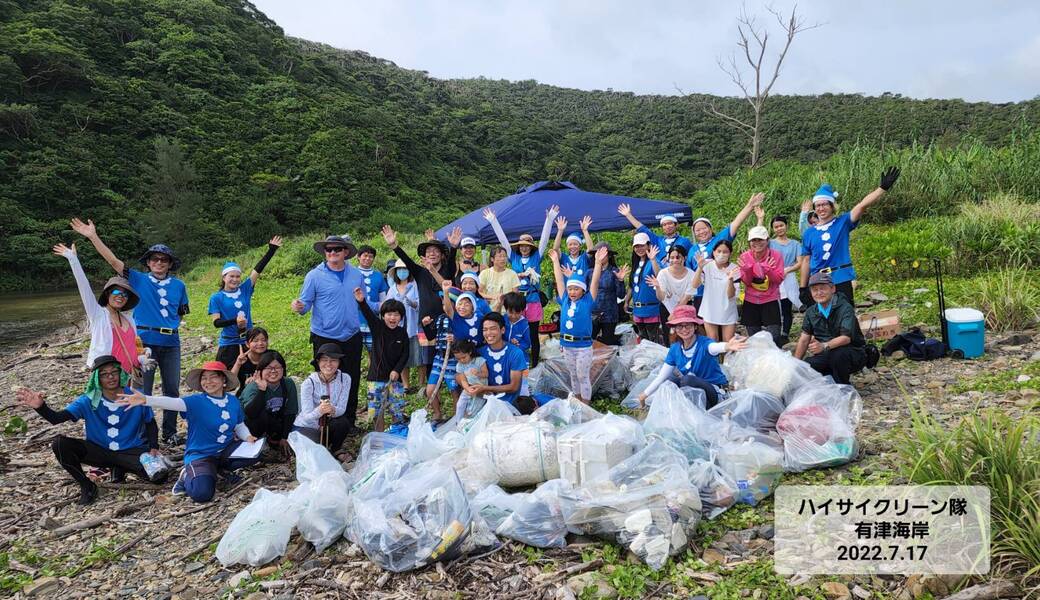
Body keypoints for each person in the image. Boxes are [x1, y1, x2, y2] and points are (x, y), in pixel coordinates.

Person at [71, 218, 190, 446]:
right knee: (141, 388)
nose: (159, 262)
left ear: (170, 264)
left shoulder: (179, 286)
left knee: (172, 388)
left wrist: (170, 325)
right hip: (145, 340)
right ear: (148, 262)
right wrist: (93, 236)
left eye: (164, 260)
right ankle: (143, 434)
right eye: (155, 259)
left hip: (171, 341)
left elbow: (181, 312)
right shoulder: (138, 278)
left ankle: (169, 432)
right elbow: (114, 262)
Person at [16, 356, 164, 505]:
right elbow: (56, 418)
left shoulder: (135, 395)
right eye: (104, 374)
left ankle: (119, 467)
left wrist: (153, 447)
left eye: (114, 372)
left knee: (159, 478)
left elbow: (150, 422)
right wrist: (41, 406)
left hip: (131, 450)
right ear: (97, 378)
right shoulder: (88, 400)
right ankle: (87, 486)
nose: (111, 377)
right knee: (60, 445)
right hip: (100, 451)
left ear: (120, 373)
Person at [118, 361, 260, 503]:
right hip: (201, 455)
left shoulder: (233, 401)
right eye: (204, 378)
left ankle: (219, 470)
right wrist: (146, 399)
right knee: (202, 494)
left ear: (224, 379)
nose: (208, 382)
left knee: (256, 452)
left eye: (213, 377)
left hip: (225, 450)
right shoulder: (196, 401)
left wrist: (247, 437)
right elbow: (171, 402)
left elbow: (239, 425)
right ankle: (187, 475)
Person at [291, 235, 366, 435]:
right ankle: (322, 420)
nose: (332, 253)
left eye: (337, 249)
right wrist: (298, 307)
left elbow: (362, 300)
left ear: (346, 252)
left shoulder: (356, 274)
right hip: (325, 336)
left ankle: (348, 421)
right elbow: (305, 304)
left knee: (351, 377)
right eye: (329, 250)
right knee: (324, 377)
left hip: (351, 334)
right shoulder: (314, 276)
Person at [799, 167, 901, 305]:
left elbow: (862, 205)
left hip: (840, 278)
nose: (821, 208)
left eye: (824, 205)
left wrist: (882, 188)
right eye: (817, 205)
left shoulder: (843, 222)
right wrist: (803, 287)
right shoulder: (809, 233)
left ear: (832, 206)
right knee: (820, 322)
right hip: (817, 280)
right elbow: (806, 261)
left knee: (845, 319)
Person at [382, 224, 462, 396]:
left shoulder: (448, 269)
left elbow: (448, 274)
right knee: (428, 355)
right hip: (425, 318)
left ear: (441, 254)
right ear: (424, 256)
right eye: (428, 251)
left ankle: (451, 383)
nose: (431, 253)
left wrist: (454, 247)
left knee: (448, 350)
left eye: (435, 251)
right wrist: (394, 245)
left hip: (446, 317)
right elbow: (407, 261)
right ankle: (432, 386)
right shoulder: (419, 272)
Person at [52, 242, 149, 378]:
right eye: (116, 292)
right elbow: (84, 287)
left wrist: (142, 356)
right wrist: (73, 259)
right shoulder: (98, 314)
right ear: (108, 293)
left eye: (125, 294)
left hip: (131, 377)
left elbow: (133, 348)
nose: (120, 296)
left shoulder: (129, 319)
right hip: (108, 377)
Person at [484, 205, 558, 367]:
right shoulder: (514, 258)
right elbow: (503, 240)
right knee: (512, 329)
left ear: (531, 246)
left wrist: (549, 220)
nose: (524, 247)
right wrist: (494, 221)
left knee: (532, 333)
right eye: (522, 245)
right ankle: (512, 360)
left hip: (532, 299)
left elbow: (545, 239)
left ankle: (534, 364)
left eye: (527, 245)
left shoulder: (536, 257)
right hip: (516, 300)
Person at [636, 305, 748, 410]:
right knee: (670, 380)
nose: (684, 329)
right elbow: (661, 377)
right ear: (675, 328)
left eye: (688, 325)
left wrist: (728, 346)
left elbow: (715, 347)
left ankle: (698, 412)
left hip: (714, 392)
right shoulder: (675, 349)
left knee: (687, 380)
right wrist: (644, 395)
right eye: (680, 326)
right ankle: (683, 412)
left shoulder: (705, 344)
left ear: (695, 326)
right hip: (694, 392)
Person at [209, 236, 282, 367]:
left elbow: (258, 269)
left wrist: (271, 250)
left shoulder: (245, 289)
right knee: (227, 378)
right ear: (224, 277)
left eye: (238, 276)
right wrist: (234, 321)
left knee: (251, 376)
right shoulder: (216, 297)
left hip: (248, 342)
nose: (235, 279)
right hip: (229, 343)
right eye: (231, 276)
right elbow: (216, 323)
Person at [685, 193, 764, 310]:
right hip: (701, 294)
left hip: (721, 290)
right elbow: (689, 273)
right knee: (702, 324)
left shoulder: (719, 240)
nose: (701, 232)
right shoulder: (692, 250)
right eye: (697, 230)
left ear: (710, 229)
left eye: (704, 228)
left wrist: (750, 206)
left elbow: (736, 223)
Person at [549, 246, 607, 403]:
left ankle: (586, 404)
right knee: (573, 375)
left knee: (582, 375)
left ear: (583, 291)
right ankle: (577, 400)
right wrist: (555, 261)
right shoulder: (565, 300)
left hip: (583, 347)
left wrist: (597, 263)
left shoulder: (588, 301)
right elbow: (560, 279)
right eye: (570, 289)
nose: (572, 292)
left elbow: (594, 281)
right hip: (566, 345)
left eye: (576, 289)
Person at [794, 272, 868, 385]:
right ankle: (829, 382)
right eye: (815, 290)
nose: (819, 293)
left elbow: (846, 338)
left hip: (852, 352)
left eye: (823, 288)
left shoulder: (845, 307)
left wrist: (823, 346)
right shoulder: (811, 311)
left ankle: (843, 387)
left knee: (838, 355)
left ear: (832, 288)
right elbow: (804, 339)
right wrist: (795, 364)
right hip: (826, 353)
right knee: (807, 367)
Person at [354, 288, 409, 433]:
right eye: (389, 314)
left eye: (396, 315)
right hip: (376, 379)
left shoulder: (402, 333)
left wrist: (397, 370)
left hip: (395, 381)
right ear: (383, 316)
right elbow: (368, 314)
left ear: (401, 317)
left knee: (397, 410)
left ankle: (397, 434)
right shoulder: (378, 327)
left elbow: (405, 355)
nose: (393, 318)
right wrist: (362, 301)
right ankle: (379, 438)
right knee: (377, 413)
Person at [294, 344, 353, 452]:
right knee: (314, 447)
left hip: (328, 424)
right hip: (307, 426)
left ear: (339, 362)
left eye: (333, 360)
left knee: (343, 424)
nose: (329, 364)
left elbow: (342, 408)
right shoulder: (309, 383)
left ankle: (336, 450)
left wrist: (332, 410)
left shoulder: (345, 379)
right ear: (318, 362)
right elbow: (307, 416)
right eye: (324, 360)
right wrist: (320, 410)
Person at [240, 350, 298, 457]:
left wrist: (284, 438)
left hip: (275, 422)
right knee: (261, 414)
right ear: (260, 370)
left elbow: (291, 412)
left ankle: (275, 442)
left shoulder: (288, 383)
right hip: (252, 426)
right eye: (268, 368)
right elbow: (250, 413)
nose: (273, 371)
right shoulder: (253, 386)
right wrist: (262, 391)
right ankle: (260, 445)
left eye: (277, 367)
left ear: (283, 369)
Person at [759, 208, 803, 342]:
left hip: (788, 277)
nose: (779, 229)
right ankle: (774, 332)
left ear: (786, 226)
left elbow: (800, 262)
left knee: (786, 306)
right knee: (773, 306)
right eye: (776, 227)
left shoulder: (795, 244)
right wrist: (760, 218)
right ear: (772, 229)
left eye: (781, 225)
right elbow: (758, 236)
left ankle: (785, 334)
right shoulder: (770, 243)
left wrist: (787, 270)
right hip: (772, 278)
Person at [739, 225, 786, 344]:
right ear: (749, 242)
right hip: (751, 301)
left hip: (770, 300)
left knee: (774, 338)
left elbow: (778, 279)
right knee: (754, 339)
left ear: (767, 240)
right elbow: (747, 282)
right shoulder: (745, 257)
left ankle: (774, 361)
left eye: (760, 239)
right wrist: (747, 270)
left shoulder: (776, 255)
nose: (757, 243)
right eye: (753, 240)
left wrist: (768, 270)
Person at [472, 312, 529, 409]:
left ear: (502, 330)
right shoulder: (479, 353)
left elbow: (514, 387)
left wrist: (485, 388)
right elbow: (460, 373)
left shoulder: (515, 353)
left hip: (510, 405)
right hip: (485, 403)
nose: (488, 333)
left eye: (493, 329)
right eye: (485, 330)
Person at [691, 240, 740, 342]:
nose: (721, 254)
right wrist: (700, 268)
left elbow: (731, 295)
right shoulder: (707, 265)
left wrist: (730, 279)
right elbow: (695, 285)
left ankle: (726, 359)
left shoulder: (735, 269)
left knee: (728, 341)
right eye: (719, 251)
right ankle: (715, 359)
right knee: (712, 339)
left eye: (725, 252)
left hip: (728, 310)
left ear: (730, 253)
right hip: (709, 309)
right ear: (713, 252)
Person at [617, 205, 692, 269]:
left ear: (676, 225)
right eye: (664, 225)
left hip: (679, 276)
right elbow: (642, 229)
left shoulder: (685, 241)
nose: (667, 226)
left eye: (670, 223)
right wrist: (628, 215)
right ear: (662, 227)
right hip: (661, 277)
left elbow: (691, 259)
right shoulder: (657, 240)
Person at [385, 259, 422, 390]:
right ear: (396, 272)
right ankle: (406, 385)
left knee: (418, 356)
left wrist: (412, 303)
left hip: (413, 325)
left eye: (405, 269)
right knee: (401, 356)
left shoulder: (415, 285)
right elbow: (386, 307)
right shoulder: (392, 289)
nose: (402, 272)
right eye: (400, 270)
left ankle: (421, 384)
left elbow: (420, 303)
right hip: (398, 327)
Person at [647, 245, 694, 341]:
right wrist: (658, 287)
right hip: (666, 308)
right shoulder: (663, 274)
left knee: (685, 335)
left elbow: (686, 298)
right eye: (672, 257)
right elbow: (661, 297)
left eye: (678, 257)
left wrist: (674, 315)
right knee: (668, 337)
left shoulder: (691, 274)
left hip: (684, 307)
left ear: (684, 258)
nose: (675, 260)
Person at [625, 232, 663, 344]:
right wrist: (627, 301)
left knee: (653, 341)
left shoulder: (653, 261)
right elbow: (632, 285)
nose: (639, 248)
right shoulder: (636, 264)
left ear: (648, 245)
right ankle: (645, 361)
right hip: (638, 310)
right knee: (643, 340)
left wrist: (653, 260)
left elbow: (660, 276)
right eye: (636, 246)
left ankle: (655, 361)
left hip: (651, 309)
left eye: (642, 245)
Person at [590, 242, 629, 345]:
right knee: (589, 341)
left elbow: (621, 295)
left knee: (608, 343)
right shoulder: (589, 272)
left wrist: (620, 281)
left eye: (604, 254)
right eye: (598, 253)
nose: (601, 256)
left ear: (609, 255)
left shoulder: (614, 271)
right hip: (592, 313)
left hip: (609, 314)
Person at [355, 245, 390, 353]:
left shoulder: (378, 276)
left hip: (373, 321)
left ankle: (373, 371)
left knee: (374, 352)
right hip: (354, 321)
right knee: (354, 352)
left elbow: (383, 299)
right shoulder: (351, 274)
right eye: (365, 256)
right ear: (358, 257)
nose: (367, 259)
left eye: (370, 256)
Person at [452, 339, 488, 420]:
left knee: (474, 409)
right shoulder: (459, 365)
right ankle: (459, 423)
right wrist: (467, 388)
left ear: (470, 352)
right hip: (468, 388)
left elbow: (486, 374)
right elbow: (463, 380)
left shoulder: (479, 360)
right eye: (458, 359)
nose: (461, 360)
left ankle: (472, 423)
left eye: (464, 357)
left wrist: (478, 373)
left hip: (481, 388)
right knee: (460, 405)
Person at [552, 215, 595, 282]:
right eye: (570, 244)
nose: (572, 247)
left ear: (580, 246)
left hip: (583, 291)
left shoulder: (584, 258)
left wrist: (585, 231)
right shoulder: (564, 258)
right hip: (567, 291)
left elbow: (591, 249)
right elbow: (555, 249)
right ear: (567, 246)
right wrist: (560, 231)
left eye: (575, 244)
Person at [478, 246, 520, 312]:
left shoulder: (512, 274)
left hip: (507, 312)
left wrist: (504, 298)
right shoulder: (485, 273)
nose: (503, 259)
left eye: (504, 256)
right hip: (488, 311)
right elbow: (479, 292)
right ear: (492, 259)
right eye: (500, 256)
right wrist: (492, 297)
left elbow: (515, 294)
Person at [229, 326, 269, 393]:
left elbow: (280, 379)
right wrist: (238, 363)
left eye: (263, 340)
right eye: (255, 341)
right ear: (247, 344)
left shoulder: (272, 357)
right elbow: (230, 385)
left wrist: (257, 381)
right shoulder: (242, 359)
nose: (260, 343)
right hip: (245, 396)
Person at [502, 291, 531, 359]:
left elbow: (527, 343)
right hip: (503, 354)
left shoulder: (526, 325)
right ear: (506, 309)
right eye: (511, 312)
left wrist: (518, 345)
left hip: (518, 355)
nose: (514, 316)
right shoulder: (502, 320)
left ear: (522, 310)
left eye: (517, 313)